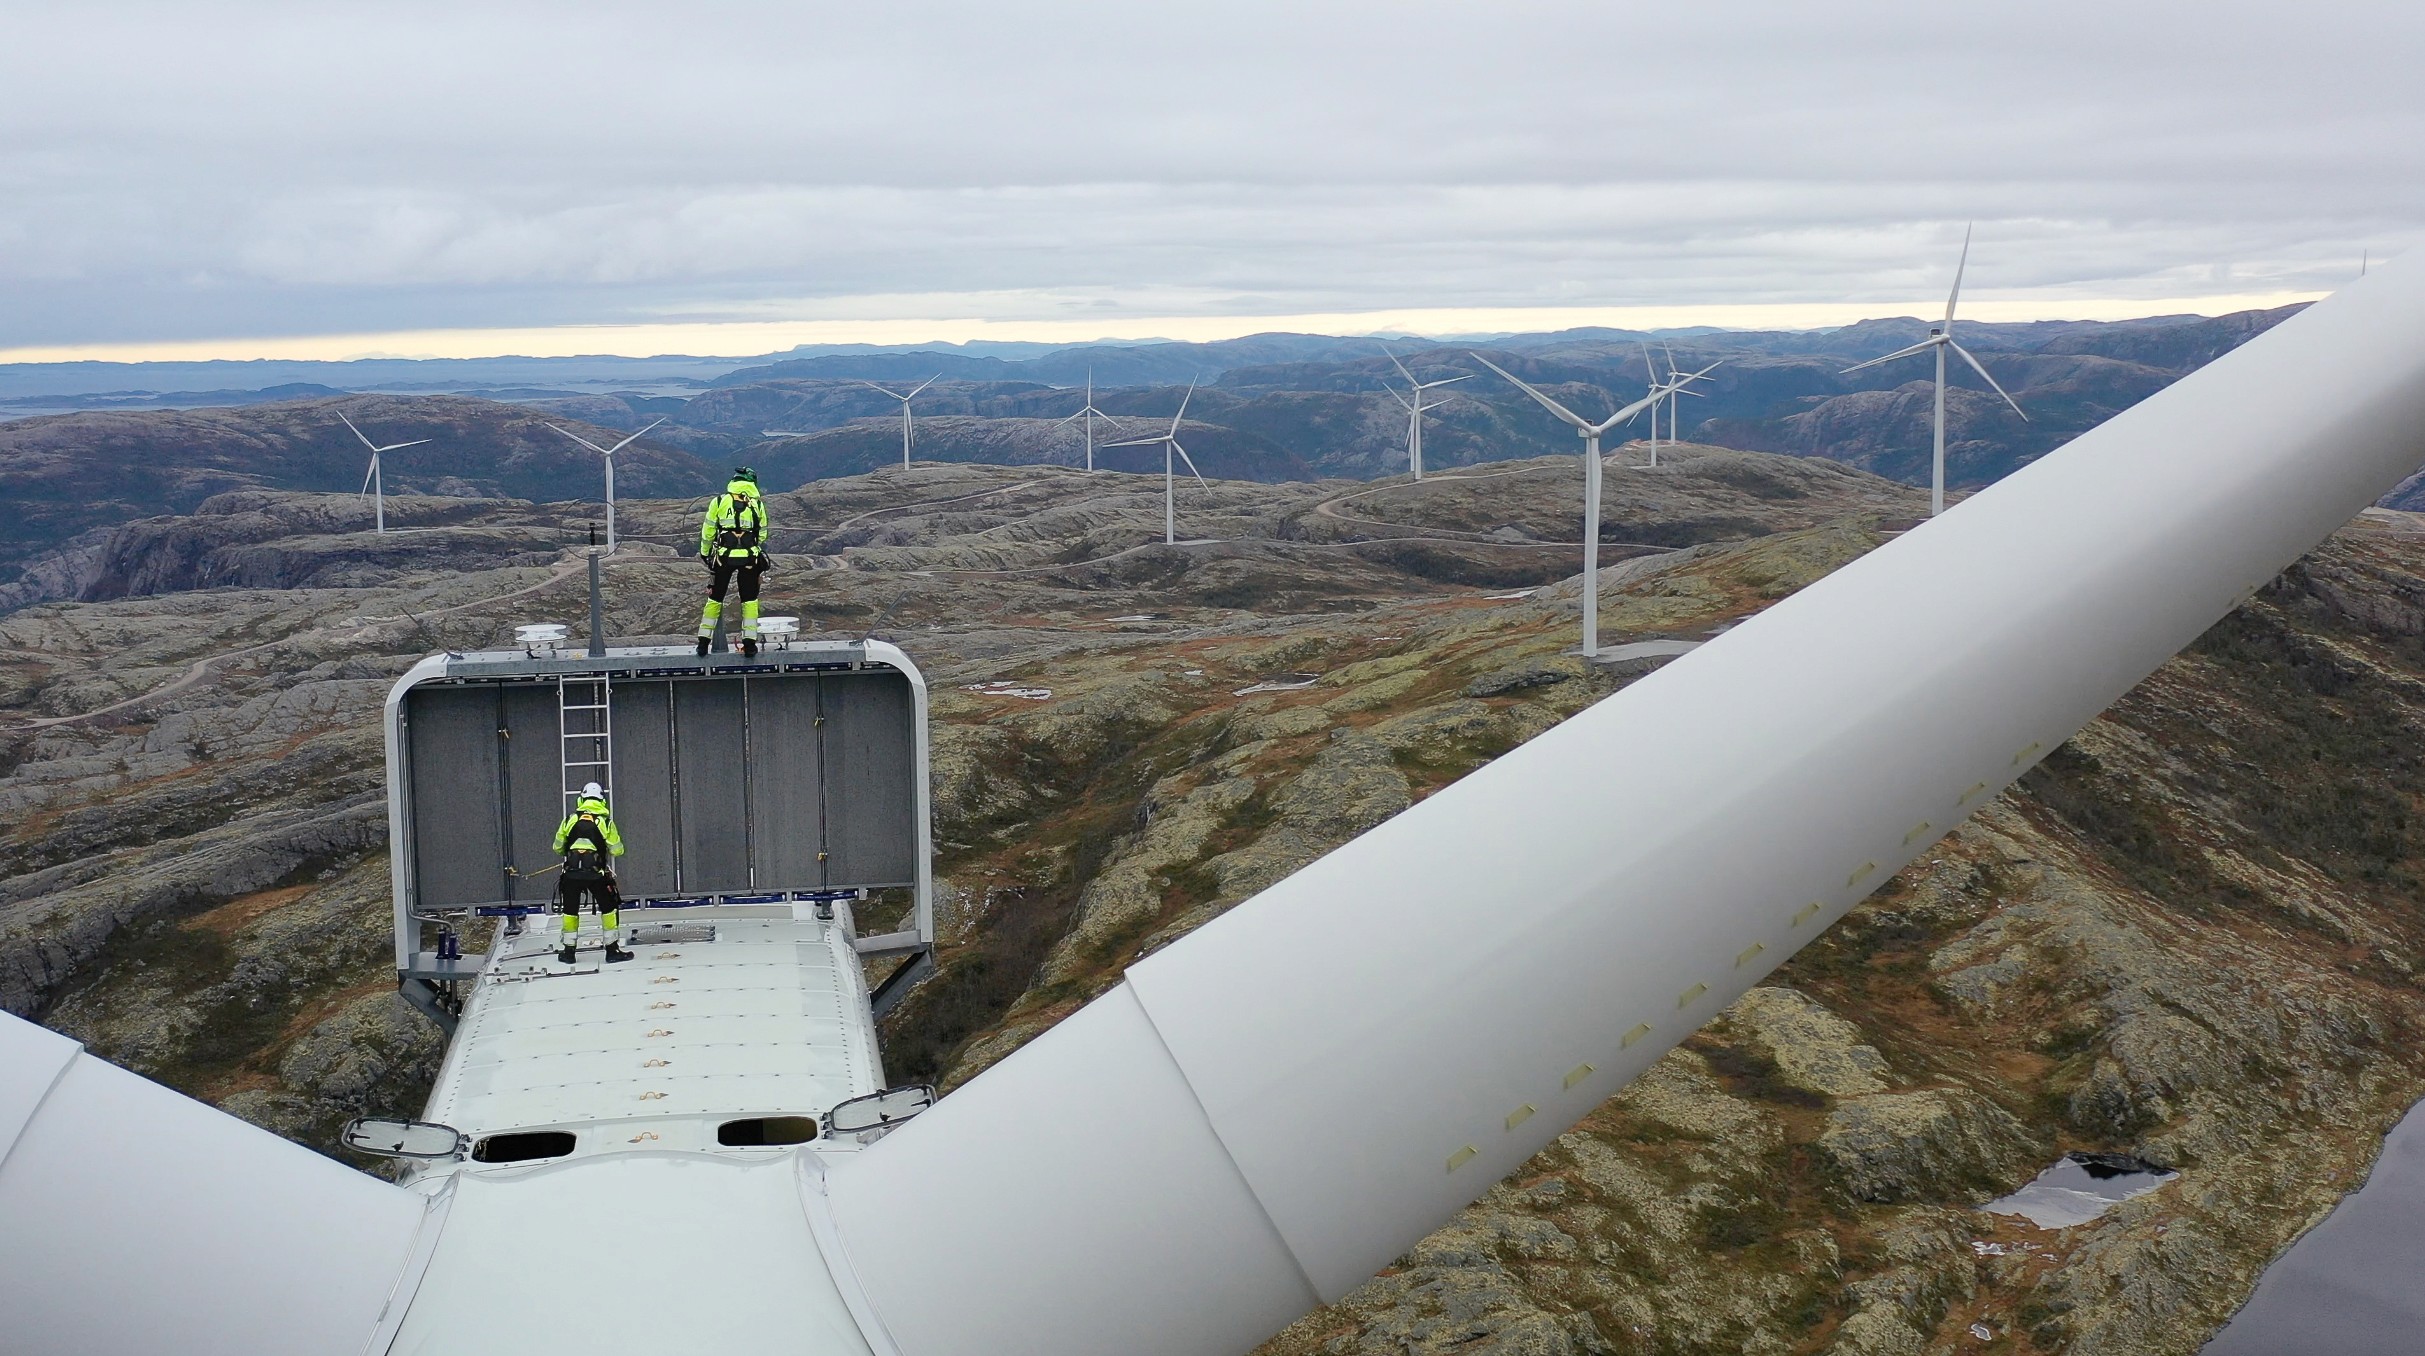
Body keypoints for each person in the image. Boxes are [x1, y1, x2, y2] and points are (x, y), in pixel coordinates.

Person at [696, 468, 771, 657]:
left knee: (715, 599)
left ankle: (703, 643)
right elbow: (762, 533)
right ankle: (750, 645)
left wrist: (706, 554)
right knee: (749, 600)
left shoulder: (719, 502)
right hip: (749, 559)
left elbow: (708, 532)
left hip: (723, 558)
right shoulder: (757, 505)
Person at [553, 782, 630, 964]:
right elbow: (618, 850)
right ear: (602, 801)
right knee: (609, 909)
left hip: (571, 875)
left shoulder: (569, 819)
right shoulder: (605, 822)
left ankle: (569, 953)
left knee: (570, 911)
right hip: (597, 874)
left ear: (581, 799)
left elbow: (557, 847)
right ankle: (612, 951)